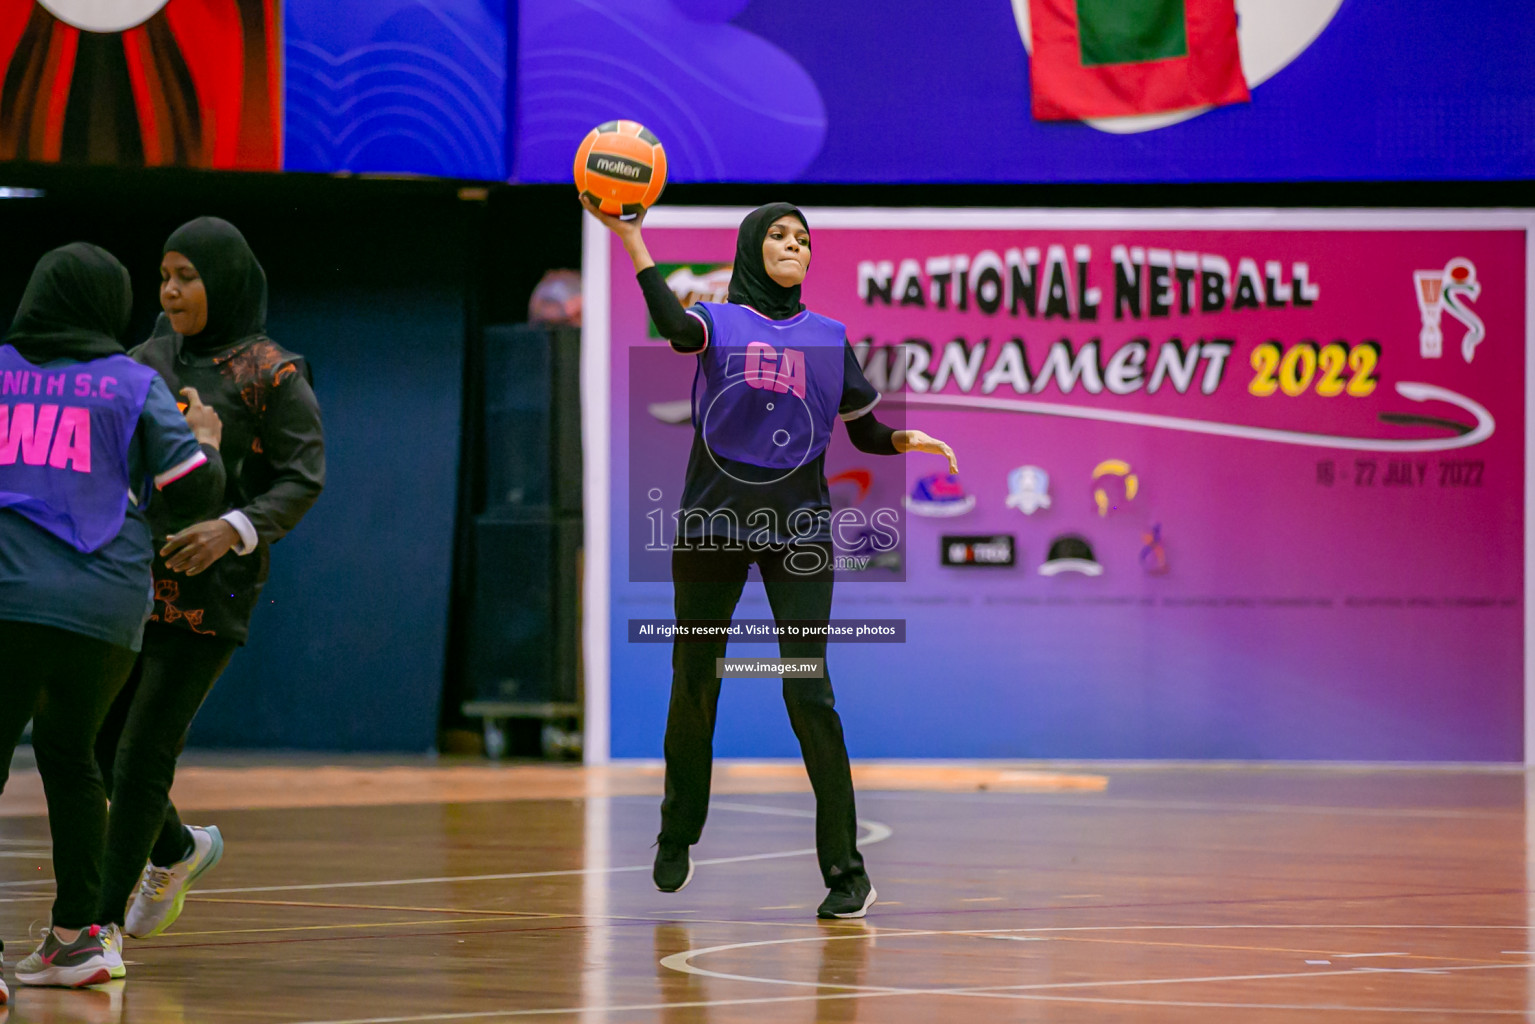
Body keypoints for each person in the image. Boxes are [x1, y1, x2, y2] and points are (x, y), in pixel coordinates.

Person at [583, 198, 958, 919]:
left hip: (799, 533)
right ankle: (676, 832)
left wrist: (903, 441)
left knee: (806, 689)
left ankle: (847, 874)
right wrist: (633, 238)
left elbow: (864, 429)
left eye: (802, 238)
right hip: (711, 527)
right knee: (694, 676)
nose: (794, 245)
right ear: (752, 248)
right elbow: (670, 325)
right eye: (779, 236)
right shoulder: (716, 319)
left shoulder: (829, 336)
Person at [0, 242, 226, 990]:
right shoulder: (133, 383)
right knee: (71, 758)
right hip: (108, 610)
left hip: (10, 597)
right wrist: (206, 443)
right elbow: (193, 495)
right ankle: (80, 939)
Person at [92, 217, 325, 941]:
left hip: (213, 585)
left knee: (141, 754)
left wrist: (233, 528)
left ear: (223, 280)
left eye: (186, 276)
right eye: (164, 276)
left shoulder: (272, 371)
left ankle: (91, 932)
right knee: (99, 742)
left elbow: (303, 476)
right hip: (134, 574)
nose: (170, 291)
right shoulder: (143, 359)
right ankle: (177, 850)